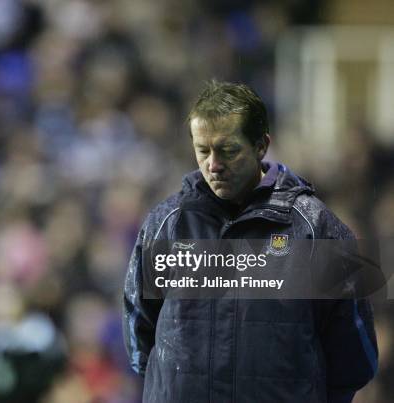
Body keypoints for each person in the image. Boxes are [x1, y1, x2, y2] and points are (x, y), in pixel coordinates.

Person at [122, 80, 378, 403]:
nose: (213, 165)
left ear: (261, 146)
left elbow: (354, 353)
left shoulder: (314, 229)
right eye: (203, 150)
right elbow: (138, 335)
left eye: (228, 151)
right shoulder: (166, 226)